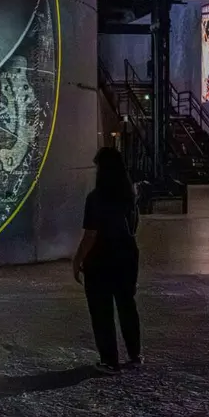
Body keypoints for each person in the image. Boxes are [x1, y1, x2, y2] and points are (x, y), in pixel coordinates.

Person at [72, 147, 141, 374]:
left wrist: (77, 260)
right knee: (126, 306)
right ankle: (134, 354)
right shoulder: (129, 195)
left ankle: (110, 360)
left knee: (102, 311)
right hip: (127, 256)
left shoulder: (95, 198)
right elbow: (133, 226)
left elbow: (91, 234)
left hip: (101, 260)